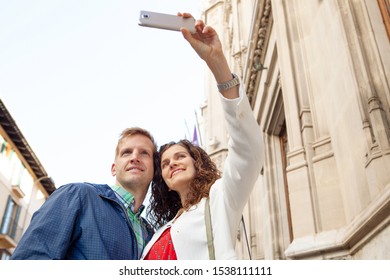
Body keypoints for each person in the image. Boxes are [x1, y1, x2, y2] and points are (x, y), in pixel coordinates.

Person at [141, 13, 264, 260]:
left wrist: (217, 63)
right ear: (163, 180)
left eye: (179, 157)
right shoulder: (161, 230)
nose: (172, 163)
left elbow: (248, 150)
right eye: (165, 164)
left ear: (197, 164)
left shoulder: (221, 198)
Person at [11, 127, 157, 260]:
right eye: (127, 152)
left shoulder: (151, 234)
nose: (135, 157)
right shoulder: (77, 195)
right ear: (113, 168)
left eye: (144, 153)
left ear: (155, 169)